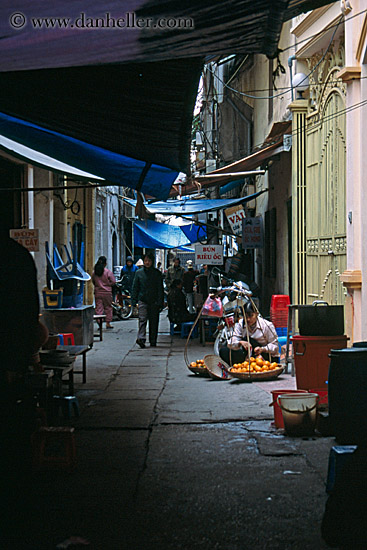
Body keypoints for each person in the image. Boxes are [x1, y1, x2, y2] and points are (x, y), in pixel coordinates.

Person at [219, 302, 279, 366]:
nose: (248, 319)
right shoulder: (241, 323)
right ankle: (245, 365)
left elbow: (275, 346)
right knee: (224, 351)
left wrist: (262, 349)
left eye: (251, 316)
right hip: (248, 355)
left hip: (265, 356)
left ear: (256, 314)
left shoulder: (267, 325)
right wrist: (240, 342)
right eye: (245, 316)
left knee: (250, 340)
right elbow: (231, 342)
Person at [131, 252, 164, 348]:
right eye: (145, 261)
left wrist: (160, 302)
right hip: (143, 300)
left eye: (149, 261)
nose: (147, 262)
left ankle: (153, 340)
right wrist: (134, 301)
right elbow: (135, 287)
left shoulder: (157, 273)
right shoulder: (139, 273)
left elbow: (160, 288)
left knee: (154, 322)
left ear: (152, 262)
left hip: (154, 301)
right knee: (142, 320)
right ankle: (141, 339)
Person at [91, 256, 116, 329]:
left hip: (98, 292)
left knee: (99, 308)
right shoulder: (108, 272)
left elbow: (93, 281)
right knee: (108, 307)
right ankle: (108, 323)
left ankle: (100, 324)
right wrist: (108, 285)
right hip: (107, 292)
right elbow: (113, 281)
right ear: (105, 264)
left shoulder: (94, 273)